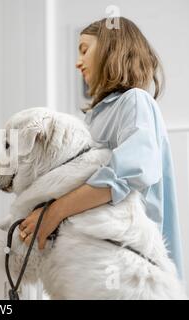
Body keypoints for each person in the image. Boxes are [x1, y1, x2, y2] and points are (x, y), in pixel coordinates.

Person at [18, 17, 184, 279]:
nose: (77, 62)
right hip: (98, 265)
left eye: (84, 50)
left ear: (110, 48)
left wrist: (53, 213)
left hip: (134, 269)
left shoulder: (135, 102)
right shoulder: (94, 118)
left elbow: (128, 174)